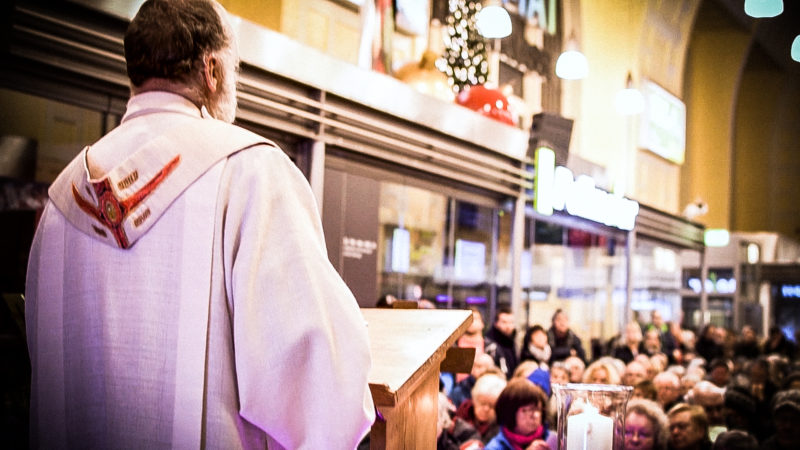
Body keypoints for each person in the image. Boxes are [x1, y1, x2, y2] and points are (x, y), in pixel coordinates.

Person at [24, 1, 375, 447]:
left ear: (136, 73)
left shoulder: (60, 200)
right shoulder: (250, 172)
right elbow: (316, 378)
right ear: (212, 71)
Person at [484, 378, 554, 450]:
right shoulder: (494, 447)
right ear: (510, 413)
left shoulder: (553, 440)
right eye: (526, 410)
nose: (535, 415)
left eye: (538, 410)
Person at [455, 373, 508, 444]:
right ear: (474, 400)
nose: (486, 409)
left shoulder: (502, 428)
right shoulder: (461, 414)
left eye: (491, 406)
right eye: (482, 403)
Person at [485, 307, 519, 379]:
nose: (508, 326)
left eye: (511, 322)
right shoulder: (489, 343)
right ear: (496, 323)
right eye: (504, 322)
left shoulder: (512, 341)